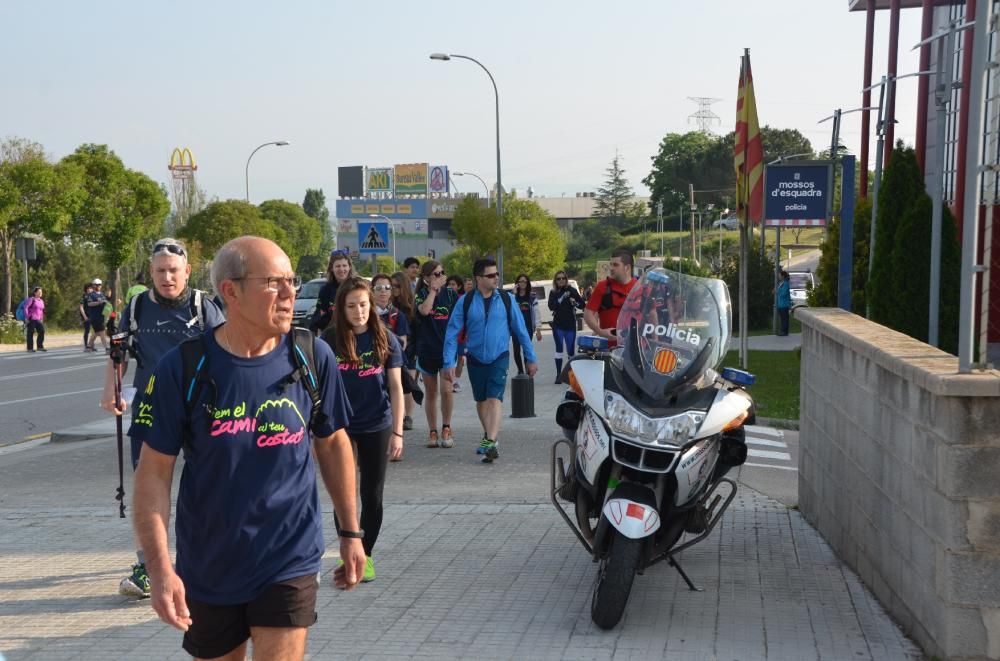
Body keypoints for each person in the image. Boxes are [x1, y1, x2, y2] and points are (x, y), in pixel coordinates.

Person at [130, 236, 365, 660]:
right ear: (231, 291)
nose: (291, 293)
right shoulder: (183, 367)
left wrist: (351, 532)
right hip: (210, 561)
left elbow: (332, 445)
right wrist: (160, 567)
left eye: (291, 281)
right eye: (275, 283)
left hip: (288, 555)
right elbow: (153, 473)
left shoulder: (311, 355)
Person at [101, 237, 225, 599]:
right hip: (153, 406)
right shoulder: (138, 305)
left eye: (173, 270)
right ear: (151, 272)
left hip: (202, 407)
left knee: (209, 485)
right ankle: (149, 568)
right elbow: (119, 351)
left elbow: (226, 353)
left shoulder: (205, 307)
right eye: (160, 271)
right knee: (146, 488)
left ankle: (208, 559)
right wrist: (111, 390)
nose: (167, 277)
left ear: (187, 271)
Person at [321, 277, 403, 583]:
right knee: (344, 493)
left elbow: (395, 387)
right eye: (352, 306)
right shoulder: (328, 341)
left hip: (376, 424)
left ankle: (365, 555)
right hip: (339, 426)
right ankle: (348, 551)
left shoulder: (386, 338)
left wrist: (398, 432)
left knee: (372, 495)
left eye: (364, 305)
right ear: (341, 308)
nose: (358, 311)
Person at [443, 258, 537, 463]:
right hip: (475, 357)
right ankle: (488, 437)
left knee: (494, 398)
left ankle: (491, 442)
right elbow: (451, 333)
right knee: (481, 400)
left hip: (499, 357)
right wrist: (448, 362)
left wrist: (531, 357)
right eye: (491, 275)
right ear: (478, 278)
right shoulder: (465, 301)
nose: (496, 278)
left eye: (497, 274)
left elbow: (521, 330)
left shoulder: (506, 299)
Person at [414, 260, 458, 448]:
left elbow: (459, 320)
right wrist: (433, 291)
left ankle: (446, 427)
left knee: (447, 390)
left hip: (447, 351)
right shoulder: (421, 294)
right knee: (431, 392)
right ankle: (432, 431)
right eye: (436, 274)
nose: (441, 277)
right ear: (426, 278)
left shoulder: (451, 294)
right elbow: (424, 311)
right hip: (427, 349)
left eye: (442, 273)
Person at [584, 248, 638, 344]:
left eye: (616, 265)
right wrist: (600, 331)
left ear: (627, 268)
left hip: (635, 349)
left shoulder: (640, 288)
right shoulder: (602, 287)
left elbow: (652, 315)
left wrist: (655, 340)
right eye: (611, 264)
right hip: (609, 350)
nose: (611, 268)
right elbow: (588, 314)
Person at [391, 271, 418, 430]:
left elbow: (416, 330)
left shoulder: (411, 307)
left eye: (397, 286)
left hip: (410, 351)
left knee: (407, 386)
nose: (394, 289)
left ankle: (408, 416)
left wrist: (415, 351)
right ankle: (398, 416)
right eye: (391, 286)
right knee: (395, 385)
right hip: (393, 351)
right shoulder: (389, 306)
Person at [548, 270, 584, 382]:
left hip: (570, 325)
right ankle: (558, 374)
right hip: (558, 325)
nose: (561, 280)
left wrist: (575, 303)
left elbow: (582, 305)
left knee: (571, 350)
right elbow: (551, 306)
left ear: (566, 279)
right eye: (558, 279)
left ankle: (571, 375)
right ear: (555, 281)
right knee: (559, 349)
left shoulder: (572, 290)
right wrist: (562, 298)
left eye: (563, 278)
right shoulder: (553, 292)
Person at [309, 249, 354, 333]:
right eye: (338, 266)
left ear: (349, 267)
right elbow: (319, 314)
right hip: (333, 335)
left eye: (344, 265)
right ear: (332, 268)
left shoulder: (356, 287)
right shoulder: (325, 290)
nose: (341, 269)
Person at [510, 274, 542, 376]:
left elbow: (537, 313)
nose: (522, 283)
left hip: (527, 327)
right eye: (520, 281)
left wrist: (538, 329)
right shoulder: (513, 297)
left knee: (526, 350)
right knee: (516, 351)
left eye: (524, 281)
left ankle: (528, 371)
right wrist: (514, 294)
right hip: (515, 328)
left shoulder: (532, 297)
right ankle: (520, 370)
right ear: (517, 284)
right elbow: (510, 310)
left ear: (527, 283)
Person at [446, 275, 467, 391]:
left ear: (459, 286)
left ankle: (456, 381)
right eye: (449, 284)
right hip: (449, 335)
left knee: (460, 359)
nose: (450, 287)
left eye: (453, 284)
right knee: (450, 358)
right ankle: (450, 379)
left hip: (462, 335)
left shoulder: (463, 299)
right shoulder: (443, 298)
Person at [85, 278, 109, 352]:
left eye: (99, 285)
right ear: (93, 285)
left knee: (95, 332)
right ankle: (107, 348)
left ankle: (89, 347)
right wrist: (99, 302)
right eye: (96, 285)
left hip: (101, 316)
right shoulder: (91, 295)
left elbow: (106, 303)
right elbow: (89, 304)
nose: (98, 286)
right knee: (102, 332)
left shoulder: (102, 294)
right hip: (95, 317)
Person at [24, 286, 46, 352]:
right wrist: (27, 317)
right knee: (30, 333)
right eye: (39, 292)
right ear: (35, 293)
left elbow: (41, 310)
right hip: (31, 319)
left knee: (42, 331)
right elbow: (26, 308)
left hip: (38, 319)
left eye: (41, 292)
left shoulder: (41, 301)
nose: (40, 293)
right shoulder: (31, 299)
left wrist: (42, 318)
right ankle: (30, 348)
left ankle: (40, 347)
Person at [776, 269, 792, 336]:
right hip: (780, 304)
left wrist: (777, 291)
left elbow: (784, 293)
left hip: (784, 304)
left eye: (779, 275)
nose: (778, 276)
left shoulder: (786, 284)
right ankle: (782, 330)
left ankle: (784, 332)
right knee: (782, 319)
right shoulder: (781, 283)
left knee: (785, 319)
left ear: (783, 276)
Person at [79, 283, 93, 351]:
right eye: (88, 288)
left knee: (94, 331)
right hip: (86, 316)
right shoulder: (83, 297)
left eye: (90, 288)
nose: (89, 289)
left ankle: (91, 345)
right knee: (87, 330)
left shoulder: (93, 296)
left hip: (93, 315)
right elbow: (81, 307)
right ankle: (86, 345)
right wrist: (84, 316)